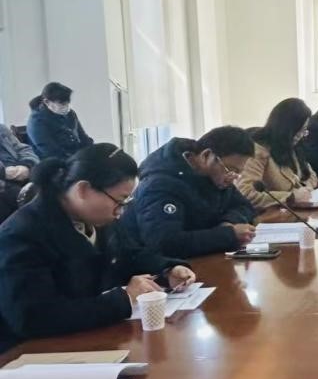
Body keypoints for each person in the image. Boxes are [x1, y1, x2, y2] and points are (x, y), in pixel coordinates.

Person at [0, 144, 194, 353]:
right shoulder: (21, 235)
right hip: (34, 352)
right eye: (119, 201)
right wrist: (123, 298)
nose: (120, 212)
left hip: (90, 335)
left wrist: (166, 270)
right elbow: (33, 318)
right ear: (83, 190)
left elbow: (129, 255)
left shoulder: (97, 218)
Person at [120, 127, 258, 258]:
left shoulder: (216, 177)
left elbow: (244, 206)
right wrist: (228, 235)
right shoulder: (160, 185)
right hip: (156, 269)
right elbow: (165, 244)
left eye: (238, 172)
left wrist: (228, 222)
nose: (233, 177)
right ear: (206, 155)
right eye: (230, 170)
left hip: (202, 260)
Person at [237, 98, 318, 211]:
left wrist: (306, 189)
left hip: (293, 211)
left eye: (304, 130)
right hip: (269, 215)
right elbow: (247, 193)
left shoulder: (291, 146)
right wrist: (290, 197)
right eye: (298, 131)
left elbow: (311, 175)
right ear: (285, 128)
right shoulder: (258, 152)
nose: (300, 136)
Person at [26, 82, 93, 160]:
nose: (66, 106)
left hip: (75, 156)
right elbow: (50, 152)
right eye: (62, 103)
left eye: (68, 103)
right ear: (47, 102)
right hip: (53, 161)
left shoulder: (70, 113)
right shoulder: (36, 121)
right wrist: (78, 160)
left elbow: (83, 138)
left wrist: (92, 151)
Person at [0, 122, 38, 223]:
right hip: (4, 184)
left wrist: (26, 165)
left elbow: (24, 149)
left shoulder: (1, 128)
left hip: (23, 173)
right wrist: (4, 173)